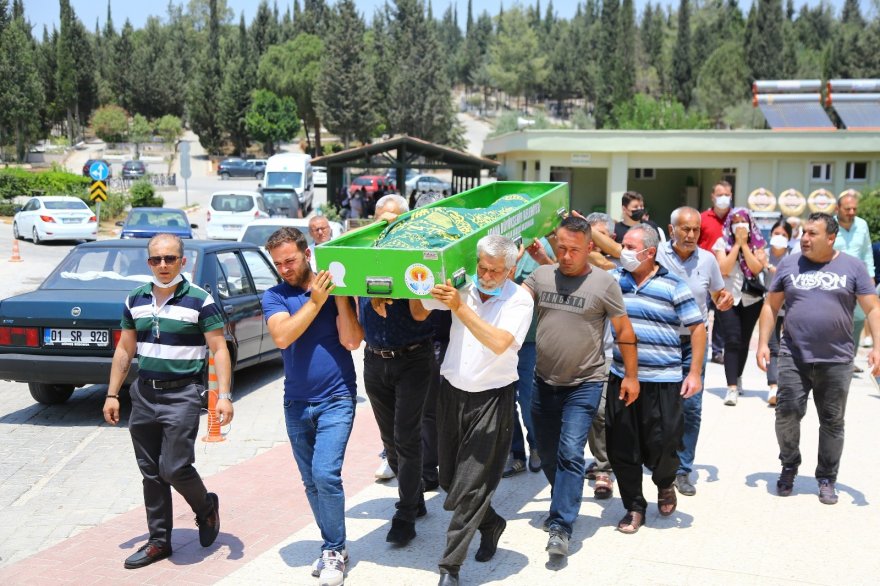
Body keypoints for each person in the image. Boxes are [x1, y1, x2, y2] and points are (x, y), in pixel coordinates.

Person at [103, 234, 232, 569]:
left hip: (183, 394)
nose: (163, 265)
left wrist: (224, 397)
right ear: (149, 262)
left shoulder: (200, 300)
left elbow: (219, 349)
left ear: (182, 261)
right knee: (151, 473)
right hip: (144, 393)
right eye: (156, 259)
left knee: (174, 468)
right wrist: (112, 394)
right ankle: (159, 542)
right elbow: (125, 349)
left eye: (170, 259)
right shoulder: (135, 299)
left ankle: (206, 507)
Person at [523, 215, 639, 557]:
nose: (566, 256)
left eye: (574, 250)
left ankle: (561, 525)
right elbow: (511, 303)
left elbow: (624, 331)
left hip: (585, 383)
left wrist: (631, 376)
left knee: (571, 452)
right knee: (546, 451)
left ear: (589, 248)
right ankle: (563, 495)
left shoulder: (604, 283)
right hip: (544, 381)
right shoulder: (542, 276)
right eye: (561, 248)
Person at [422, 235, 534, 586]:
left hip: (491, 400)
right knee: (448, 481)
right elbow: (420, 308)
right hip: (451, 393)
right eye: (482, 268)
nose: (485, 276)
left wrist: (460, 307)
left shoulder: (520, 299)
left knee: (470, 487)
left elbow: (499, 342)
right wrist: (414, 288)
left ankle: (449, 568)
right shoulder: (462, 286)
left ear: (511, 270)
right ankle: (492, 523)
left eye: (494, 271)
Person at [757, 212, 880, 505]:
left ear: (831, 238)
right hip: (794, 354)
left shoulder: (853, 266)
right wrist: (763, 343)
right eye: (804, 233)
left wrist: (877, 346)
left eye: (813, 234)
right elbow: (771, 306)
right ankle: (789, 464)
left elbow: (873, 307)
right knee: (787, 413)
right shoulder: (789, 264)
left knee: (832, 421)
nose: (805, 238)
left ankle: (826, 477)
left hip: (837, 359)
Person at [262, 227, 363, 586]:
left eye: (289, 261)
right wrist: (316, 302)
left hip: (337, 397)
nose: (284, 269)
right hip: (296, 402)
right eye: (278, 264)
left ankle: (333, 549)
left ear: (307, 254)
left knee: (325, 474)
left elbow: (352, 341)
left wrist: (338, 299)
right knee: (310, 481)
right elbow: (283, 335)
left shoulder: (334, 289)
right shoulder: (274, 296)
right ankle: (335, 546)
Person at [606, 225, 706, 534]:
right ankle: (634, 506)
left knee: (664, 444)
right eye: (622, 245)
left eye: (629, 246)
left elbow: (697, 328)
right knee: (622, 446)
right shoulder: (614, 280)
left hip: (663, 380)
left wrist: (694, 373)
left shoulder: (674, 285)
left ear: (650, 252)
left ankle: (664, 483)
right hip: (623, 377)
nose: (623, 251)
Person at [359, 193, 437, 546]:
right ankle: (415, 497)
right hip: (375, 359)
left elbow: (420, 314)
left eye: (393, 221)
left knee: (407, 438)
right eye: (381, 221)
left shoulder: (416, 257)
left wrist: (401, 284)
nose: (386, 227)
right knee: (390, 442)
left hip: (413, 358)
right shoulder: (363, 255)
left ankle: (404, 516)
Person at [656, 207, 733, 497]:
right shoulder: (656, 254)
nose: (690, 235)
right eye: (685, 229)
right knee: (658, 405)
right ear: (671, 229)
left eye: (696, 230)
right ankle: (658, 458)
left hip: (693, 342)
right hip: (659, 342)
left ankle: (683, 468)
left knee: (691, 407)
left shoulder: (708, 259)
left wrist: (724, 298)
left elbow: (717, 294)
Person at [502, 235, 555, 478]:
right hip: (500, 339)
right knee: (505, 401)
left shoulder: (539, 243)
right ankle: (515, 454)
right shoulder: (495, 242)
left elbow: (554, 280)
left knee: (528, 399)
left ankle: (536, 445)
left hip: (530, 339)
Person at [712, 207, 767, 406]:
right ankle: (731, 387)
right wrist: (736, 244)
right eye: (735, 222)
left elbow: (756, 268)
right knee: (732, 340)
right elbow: (723, 268)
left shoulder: (758, 244)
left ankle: (738, 376)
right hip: (728, 298)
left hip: (752, 299)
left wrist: (745, 246)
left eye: (743, 221)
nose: (739, 225)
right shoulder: (722, 242)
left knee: (743, 341)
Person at [834, 192, 876, 368]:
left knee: (858, 319)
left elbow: (867, 251)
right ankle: (833, 358)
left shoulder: (862, 225)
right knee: (835, 319)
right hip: (835, 279)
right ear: (837, 209)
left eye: (854, 209)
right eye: (847, 209)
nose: (851, 212)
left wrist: (871, 275)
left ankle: (849, 359)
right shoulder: (829, 225)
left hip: (859, 279)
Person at [699, 181, 734, 364]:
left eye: (727, 194)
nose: (723, 198)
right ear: (712, 197)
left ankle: (717, 351)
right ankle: (700, 344)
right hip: (704, 274)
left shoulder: (735, 219)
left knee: (722, 314)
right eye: (720, 194)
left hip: (726, 274)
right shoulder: (702, 218)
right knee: (701, 311)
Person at [765, 220, 793, 405]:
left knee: (790, 346)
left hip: (791, 306)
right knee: (772, 346)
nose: (780, 237)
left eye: (784, 235)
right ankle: (773, 386)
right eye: (777, 233)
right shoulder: (763, 253)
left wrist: (769, 267)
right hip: (770, 306)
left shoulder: (795, 256)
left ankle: (790, 384)